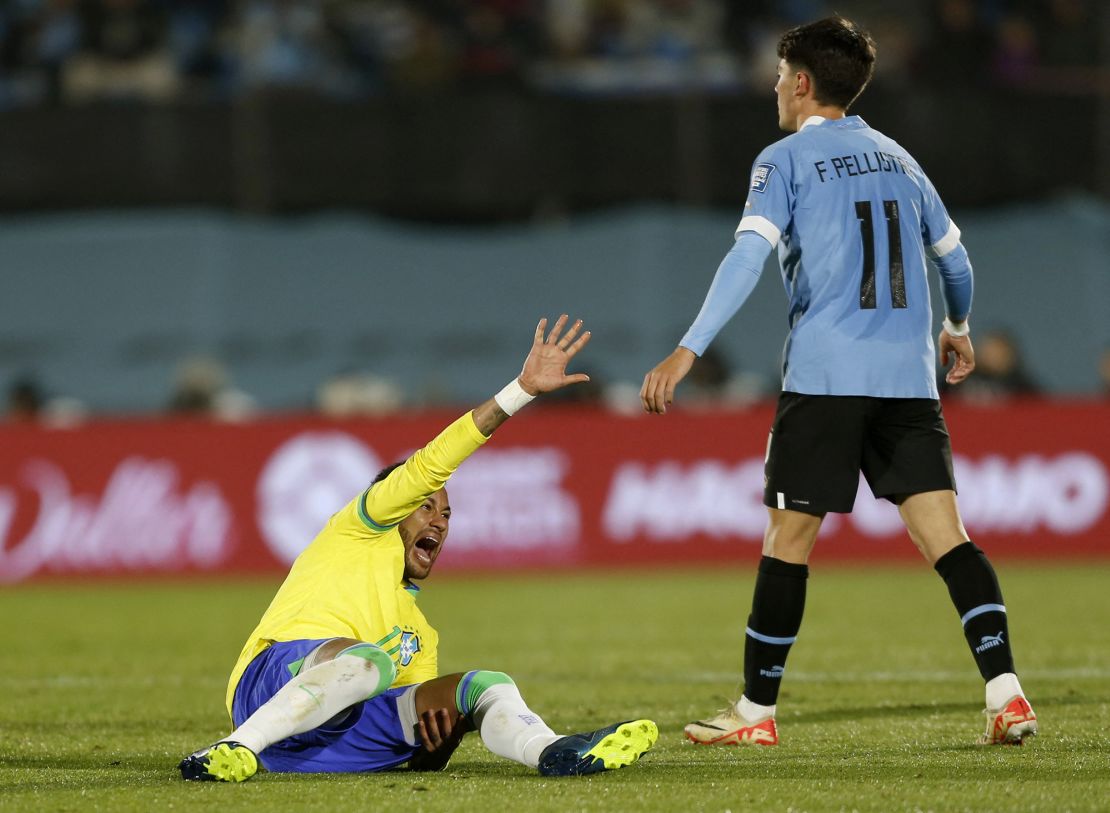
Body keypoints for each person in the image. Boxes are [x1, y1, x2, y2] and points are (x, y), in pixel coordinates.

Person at [640, 17, 1036, 747]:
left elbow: (746, 257)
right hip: (908, 382)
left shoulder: (784, 159)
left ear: (800, 82)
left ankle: (756, 715)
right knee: (949, 538)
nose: (771, 86)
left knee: (787, 540)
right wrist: (958, 325)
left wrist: (689, 347)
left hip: (826, 377)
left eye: (778, 72)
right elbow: (955, 260)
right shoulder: (901, 159)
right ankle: (1007, 694)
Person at [180, 315, 658, 782]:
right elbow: (431, 464)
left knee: (485, 685)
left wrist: (441, 743)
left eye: (447, 515)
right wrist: (521, 392)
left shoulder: (420, 636)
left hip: (326, 742)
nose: (439, 521)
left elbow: (418, 746)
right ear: (397, 504)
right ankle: (233, 746)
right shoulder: (359, 529)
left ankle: (551, 751)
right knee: (371, 662)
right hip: (265, 688)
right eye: (426, 507)